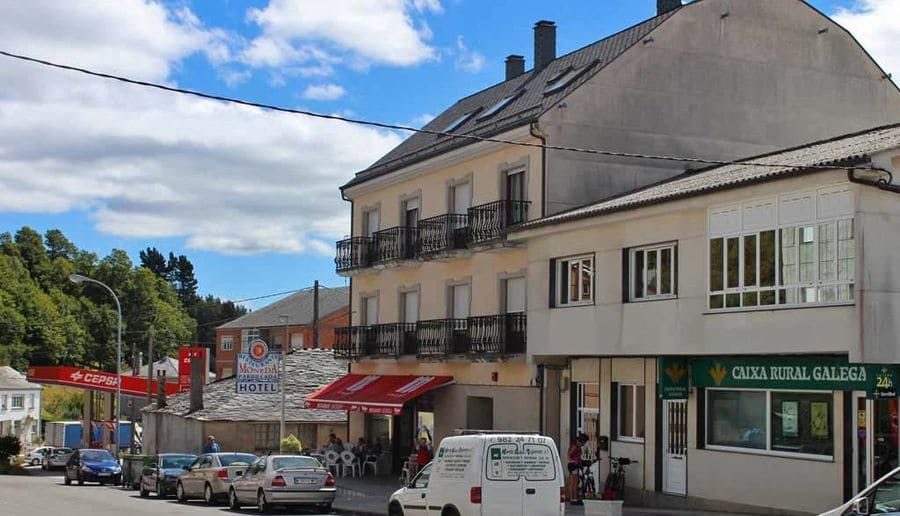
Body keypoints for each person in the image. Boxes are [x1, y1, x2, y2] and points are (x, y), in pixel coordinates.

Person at [567, 435, 585, 505]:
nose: (582, 445)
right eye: (582, 443)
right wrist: (572, 461)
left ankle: (575, 498)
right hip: (573, 466)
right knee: (573, 483)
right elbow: (569, 454)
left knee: (576, 482)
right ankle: (573, 499)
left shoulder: (578, 447)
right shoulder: (575, 447)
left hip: (575, 465)